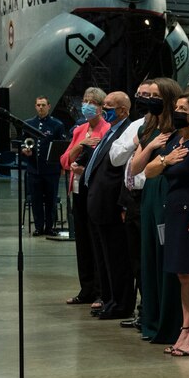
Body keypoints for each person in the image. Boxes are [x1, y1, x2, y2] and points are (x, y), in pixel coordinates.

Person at [142, 91, 189, 356]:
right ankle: (185, 328)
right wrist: (166, 159)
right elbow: (149, 171)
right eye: (176, 108)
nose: (177, 113)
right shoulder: (175, 140)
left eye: (183, 109)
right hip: (173, 213)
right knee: (182, 275)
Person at [130, 77, 184, 346]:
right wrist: (151, 147)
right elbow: (135, 168)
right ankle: (150, 320)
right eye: (148, 96)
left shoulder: (180, 130)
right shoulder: (148, 128)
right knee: (149, 256)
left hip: (168, 192)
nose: (150, 100)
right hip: (150, 193)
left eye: (155, 96)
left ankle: (169, 322)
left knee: (165, 257)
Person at [109, 80, 157, 328]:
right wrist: (135, 143)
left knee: (149, 259)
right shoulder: (136, 126)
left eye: (148, 95)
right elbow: (115, 157)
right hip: (132, 198)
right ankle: (143, 309)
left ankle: (149, 310)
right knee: (136, 259)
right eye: (140, 94)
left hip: (150, 195)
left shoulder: (163, 127)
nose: (143, 99)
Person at [83, 91, 135, 320]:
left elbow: (123, 172)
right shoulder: (111, 130)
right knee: (104, 258)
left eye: (109, 106)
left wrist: (122, 205)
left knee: (117, 258)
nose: (104, 110)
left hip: (112, 205)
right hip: (99, 203)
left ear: (123, 110)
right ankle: (110, 298)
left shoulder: (127, 131)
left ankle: (121, 303)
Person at [60, 87, 110, 308]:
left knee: (96, 242)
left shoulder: (106, 130)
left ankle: (101, 291)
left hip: (95, 192)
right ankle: (86, 289)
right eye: (85, 100)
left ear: (100, 107)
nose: (87, 105)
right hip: (77, 190)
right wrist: (79, 147)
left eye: (92, 102)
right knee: (82, 242)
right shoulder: (79, 130)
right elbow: (64, 160)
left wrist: (86, 169)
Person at [21, 96, 66, 236]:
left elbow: (61, 147)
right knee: (36, 200)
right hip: (34, 169)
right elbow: (23, 142)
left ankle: (50, 227)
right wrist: (25, 150)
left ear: (49, 106)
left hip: (51, 170)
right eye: (38, 105)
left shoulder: (57, 125)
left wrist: (62, 167)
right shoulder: (28, 123)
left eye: (43, 105)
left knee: (51, 200)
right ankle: (39, 227)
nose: (41, 107)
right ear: (35, 106)